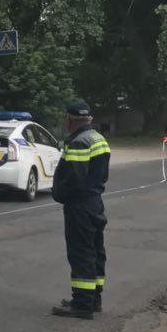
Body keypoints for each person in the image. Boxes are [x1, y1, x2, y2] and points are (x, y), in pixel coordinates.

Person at [50, 100, 111, 319]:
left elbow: (74, 179)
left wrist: (60, 194)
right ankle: (94, 299)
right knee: (95, 250)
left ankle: (82, 304)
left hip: (80, 205)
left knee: (80, 253)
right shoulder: (98, 138)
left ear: (70, 120)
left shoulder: (78, 142)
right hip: (95, 202)